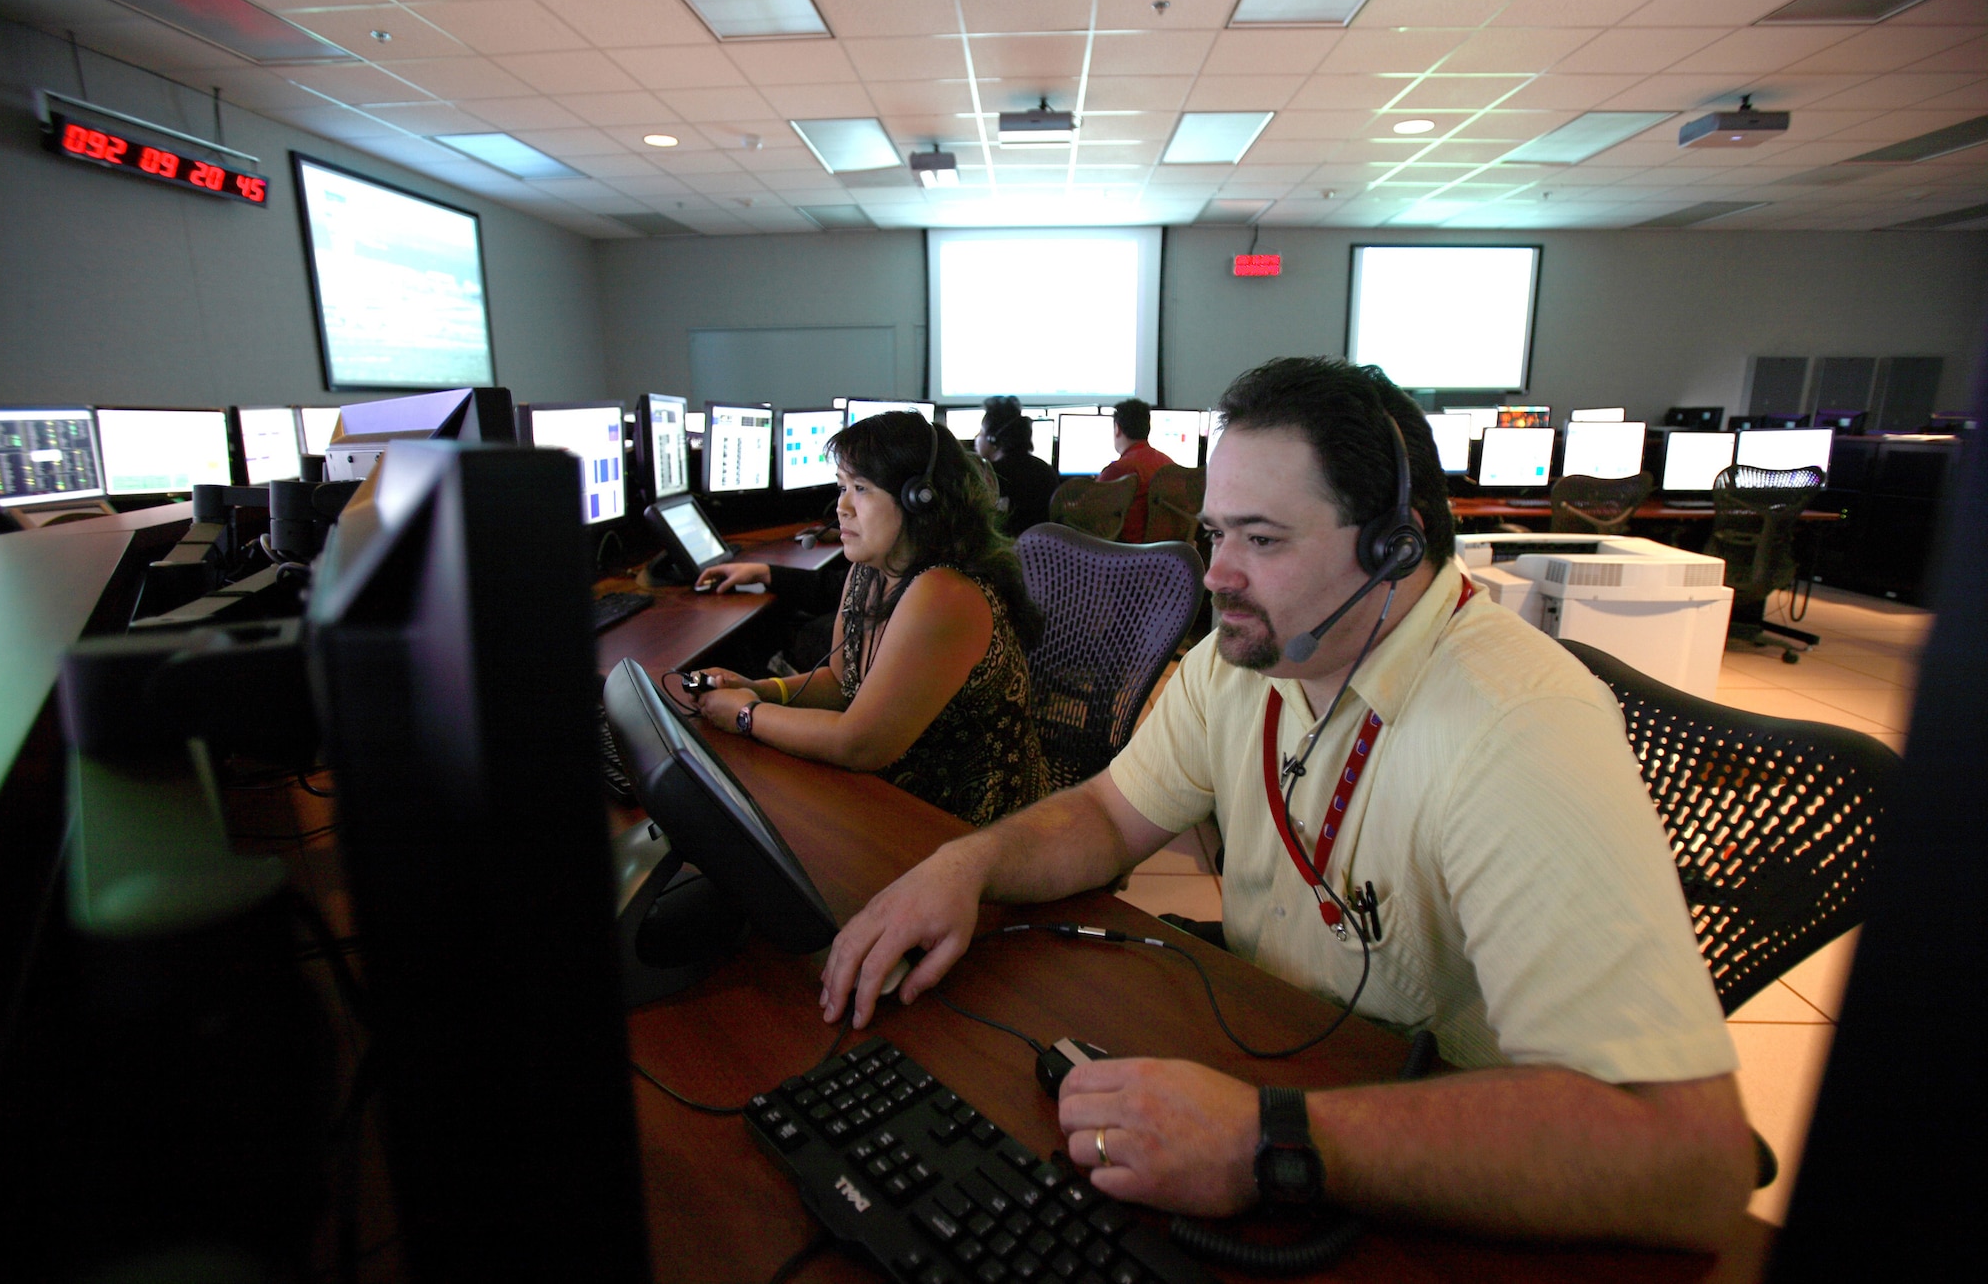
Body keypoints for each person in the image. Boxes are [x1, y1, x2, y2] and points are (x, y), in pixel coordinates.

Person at [817, 359, 1754, 1249]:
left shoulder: (1519, 728)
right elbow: (1105, 815)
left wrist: (1269, 1141)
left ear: (1393, 546)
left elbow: (1687, 1157)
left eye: (1261, 540)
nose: (1216, 573)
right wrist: (968, 862)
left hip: (1448, 1162)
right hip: (1281, 1054)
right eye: (1216, 533)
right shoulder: (1248, 661)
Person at [688, 412, 1052, 828]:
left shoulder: (945, 594)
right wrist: (760, 689)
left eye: (860, 489)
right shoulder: (871, 571)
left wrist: (747, 714)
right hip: (902, 792)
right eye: (842, 487)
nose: (841, 507)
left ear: (920, 498)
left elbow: (859, 745)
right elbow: (840, 683)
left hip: (973, 824)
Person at [973, 397, 1058, 538]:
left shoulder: (989, 477)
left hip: (1003, 550)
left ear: (992, 439)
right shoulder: (1046, 471)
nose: (976, 437)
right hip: (1042, 551)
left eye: (981, 432)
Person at [1096, 398, 1174, 543]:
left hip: (1126, 552)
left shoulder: (1118, 470)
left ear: (1117, 429)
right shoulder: (1168, 464)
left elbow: (1090, 515)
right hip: (1167, 552)